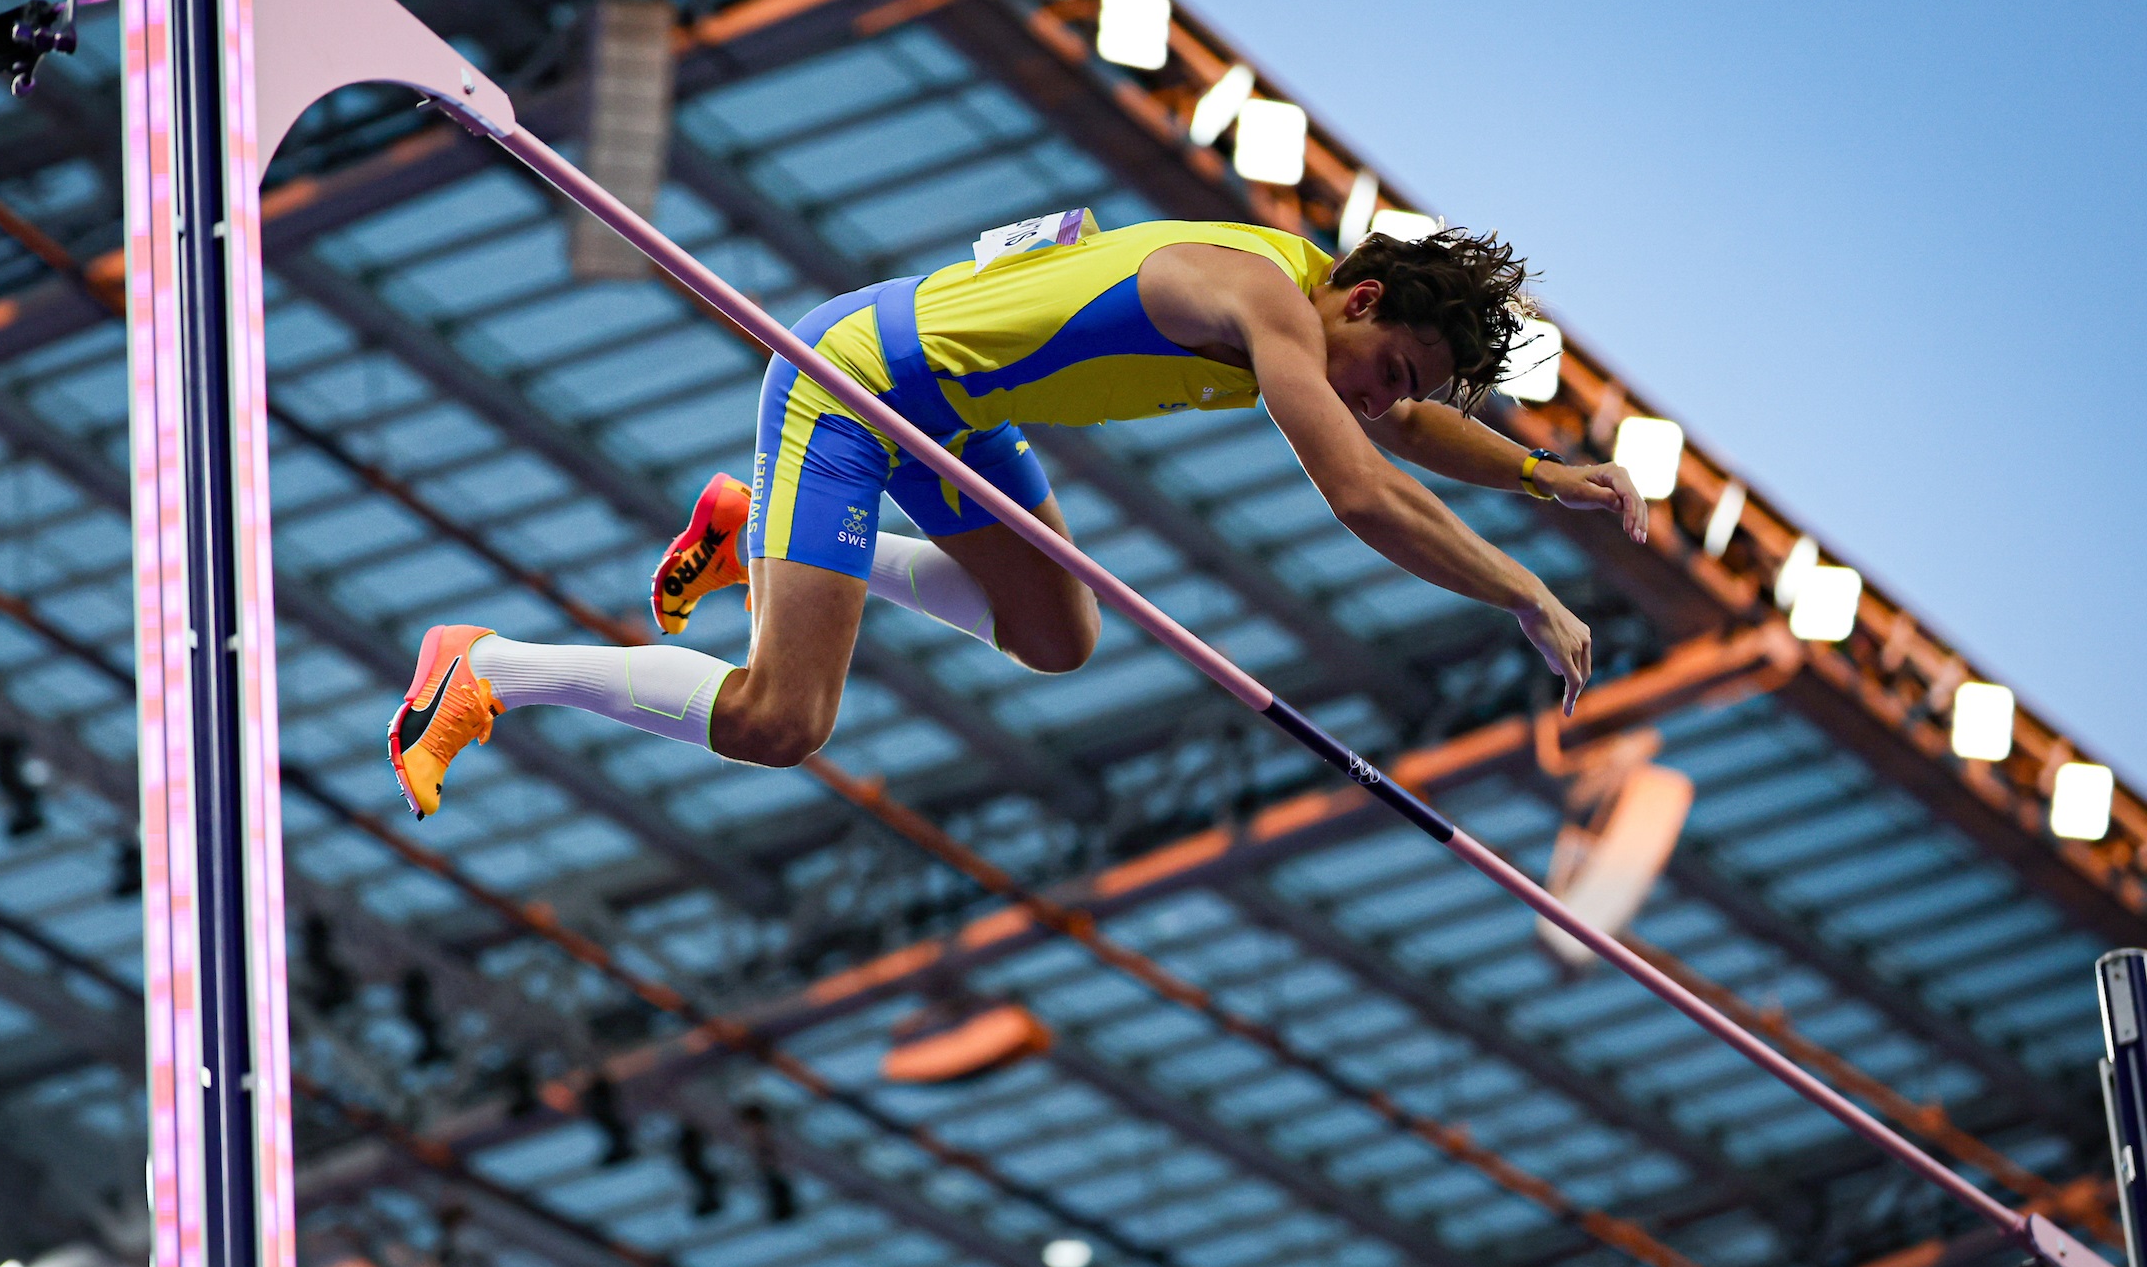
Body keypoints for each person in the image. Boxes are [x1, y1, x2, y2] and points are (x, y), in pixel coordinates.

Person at [387, 216, 1644, 819]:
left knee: (1055, 632)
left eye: (1404, 391)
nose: (1384, 403)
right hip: (860, 386)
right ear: (1360, 298)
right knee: (782, 720)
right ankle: (489, 667)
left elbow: (1408, 432)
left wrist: (1545, 479)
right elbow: (1366, 488)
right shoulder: (1261, 301)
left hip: (956, 407)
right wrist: (1524, 590)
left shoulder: (1316, 304)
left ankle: (742, 530)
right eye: (1388, 371)